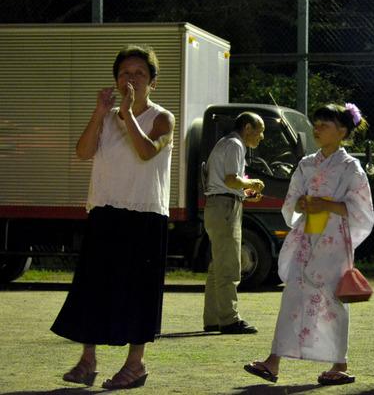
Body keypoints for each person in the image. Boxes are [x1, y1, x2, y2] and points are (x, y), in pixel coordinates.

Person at [51, 45, 175, 389]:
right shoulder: (106, 117)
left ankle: (136, 364)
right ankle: (87, 360)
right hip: (104, 209)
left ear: (153, 82)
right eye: (124, 73)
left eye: (138, 74)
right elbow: (83, 152)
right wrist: (99, 113)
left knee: (138, 292)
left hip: (144, 213)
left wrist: (127, 114)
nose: (130, 79)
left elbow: (147, 151)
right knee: (93, 288)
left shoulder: (163, 117)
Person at [244, 103, 374, 385]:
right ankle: (273, 361)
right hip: (308, 236)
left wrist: (328, 204)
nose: (317, 129)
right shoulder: (307, 163)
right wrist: (301, 203)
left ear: (341, 131)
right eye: (316, 124)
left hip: (335, 240)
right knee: (293, 294)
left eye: (324, 125)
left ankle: (339, 363)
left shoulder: (351, 167)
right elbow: (292, 201)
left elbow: (362, 210)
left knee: (333, 299)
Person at [202, 112, 265, 334]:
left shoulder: (225, 143)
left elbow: (225, 181)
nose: (261, 136)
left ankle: (213, 318)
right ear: (247, 127)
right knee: (229, 265)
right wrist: (253, 183)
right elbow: (231, 179)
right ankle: (229, 319)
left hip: (216, 206)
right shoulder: (236, 145)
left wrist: (245, 193)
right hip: (226, 208)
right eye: (260, 130)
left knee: (217, 266)